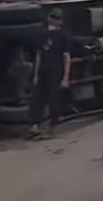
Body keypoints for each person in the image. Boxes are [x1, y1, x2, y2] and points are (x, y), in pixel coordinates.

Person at [28, 9, 71, 137]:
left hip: (56, 72)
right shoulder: (43, 35)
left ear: (61, 21)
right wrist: (35, 75)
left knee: (54, 100)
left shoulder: (63, 36)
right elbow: (39, 55)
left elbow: (67, 57)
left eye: (57, 18)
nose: (54, 20)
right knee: (37, 99)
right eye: (53, 17)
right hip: (42, 71)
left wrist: (66, 78)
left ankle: (53, 127)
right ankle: (34, 126)